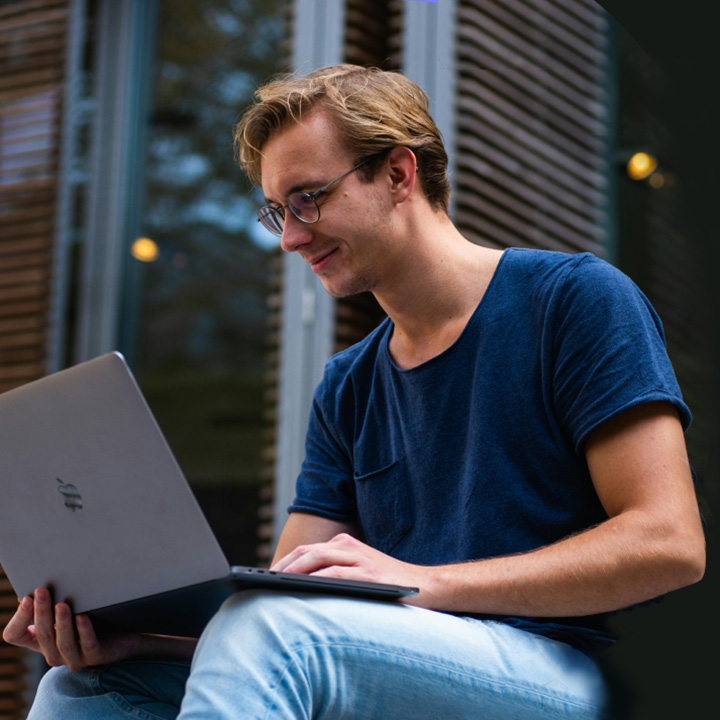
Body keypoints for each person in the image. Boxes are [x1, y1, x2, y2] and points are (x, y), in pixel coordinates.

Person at [4, 64, 706, 719]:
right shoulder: (348, 384)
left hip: (554, 668)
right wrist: (143, 641)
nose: (290, 239)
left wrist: (422, 582)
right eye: (278, 211)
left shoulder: (574, 302)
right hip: (397, 661)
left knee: (270, 626)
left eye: (308, 199)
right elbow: (281, 606)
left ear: (398, 173)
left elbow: (669, 543)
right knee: (84, 686)